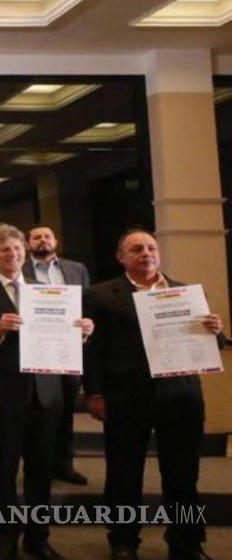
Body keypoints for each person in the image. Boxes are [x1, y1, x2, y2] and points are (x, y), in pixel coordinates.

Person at [83, 228, 225, 560]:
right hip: (125, 397)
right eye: (136, 249)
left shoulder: (185, 293)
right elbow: (93, 349)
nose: (145, 253)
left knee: (183, 475)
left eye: (151, 248)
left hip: (181, 397)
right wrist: (94, 393)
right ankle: (123, 542)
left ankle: (186, 543)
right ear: (120, 257)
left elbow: (207, 344)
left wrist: (216, 332)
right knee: (124, 474)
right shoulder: (100, 295)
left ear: (158, 253)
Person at [0, 224, 93, 560]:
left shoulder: (46, 291)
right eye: (4, 249)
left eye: (17, 248)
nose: (13, 254)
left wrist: (81, 331)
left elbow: (63, 337)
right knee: (4, 471)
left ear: (25, 252)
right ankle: (5, 539)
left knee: (41, 472)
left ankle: (37, 538)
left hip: (46, 394)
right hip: (2, 396)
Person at [23, 224, 91, 486]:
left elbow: (87, 303)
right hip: (35, 349)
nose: (42, 240)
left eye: (47, 236)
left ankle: (64, 464)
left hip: (68, 349)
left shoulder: (76, 269)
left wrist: (87, 323)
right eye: (36, 237)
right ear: (28, 243)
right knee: (38, 412)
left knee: (65, 410)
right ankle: (39, 466)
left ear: (56, 241)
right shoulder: (20, 270)